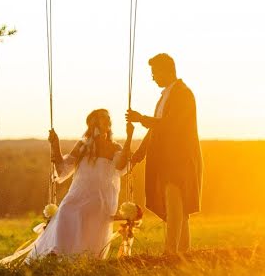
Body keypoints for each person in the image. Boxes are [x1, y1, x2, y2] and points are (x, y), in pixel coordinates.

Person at [25, 109, 133, 261]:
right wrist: (55, 145)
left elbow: (121, 166)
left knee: (86, 210)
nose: (107, 120)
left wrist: (129, 137)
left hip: (101, 196)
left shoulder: (114, 147)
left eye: (108, 118)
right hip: (79, 193)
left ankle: (79, 257)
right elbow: (63, 169)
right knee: (64, 210)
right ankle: (56, 252)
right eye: (102, 118)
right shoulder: (83, 146)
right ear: (93, 124)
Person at [127, 53, 202, 255]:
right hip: (165, 159)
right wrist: (138, 155)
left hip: (179, 159)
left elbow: (171, 125)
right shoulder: (165, 96)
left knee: (174, 204)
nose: (153, 77)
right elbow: (155, 131)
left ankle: (170, 252)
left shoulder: (183, 94)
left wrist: (141, 118)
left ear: (167, 70)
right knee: (178, 207)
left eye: (154, 73)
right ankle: (183, 252)